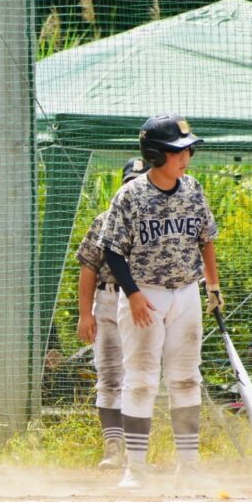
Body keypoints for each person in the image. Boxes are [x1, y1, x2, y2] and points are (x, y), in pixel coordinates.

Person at [99, 114, 221, 489]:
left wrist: (212, 286)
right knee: (140, 381)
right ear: (154, 154)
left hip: (186, 293)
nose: (185, 157)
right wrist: (132, 294)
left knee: (186, 377)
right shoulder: (130, 195)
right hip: (145, 295)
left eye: (187, 150)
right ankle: (134, 469)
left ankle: (189, 465)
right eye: (176, 151)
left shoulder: (193, 189)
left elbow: (206, 238)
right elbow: (112, 250)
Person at [75, 158, 150, 470]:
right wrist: (84, 314)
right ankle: (113, 447)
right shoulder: (105, 219)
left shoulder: (156, 221)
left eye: (140, 181)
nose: (133, 186)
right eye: (129, 181)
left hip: (145, 303)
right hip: (108, 300)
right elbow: (88, 268)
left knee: (141, 377)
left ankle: (137, 454)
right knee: (109, 376)